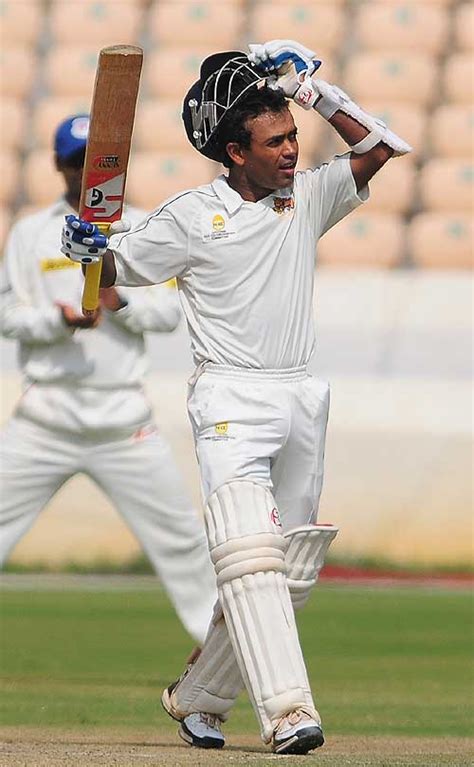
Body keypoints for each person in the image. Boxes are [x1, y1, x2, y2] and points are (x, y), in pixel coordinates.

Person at [61, 40, 411, 755]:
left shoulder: (307, 195)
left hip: (301, 394)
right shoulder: (191, 215)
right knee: (250, 554)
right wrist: (89, 251)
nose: (291, 151)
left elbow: (382, 149)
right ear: (233, 152)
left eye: (293, 137)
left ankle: (199, 698)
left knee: (292, 569)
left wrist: (313, 91)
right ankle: (288, 711)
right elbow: (118, 271)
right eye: (275, 141)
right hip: (229, 398)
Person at [0, 114, 218, 647]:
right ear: (59, 166)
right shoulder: (31, 232)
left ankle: (229, 663)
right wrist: (59, 321)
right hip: (44, 417)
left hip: (124, 420)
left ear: (115, 168)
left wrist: (116, 301)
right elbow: (6, 315)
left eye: (99, 164)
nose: (87, 174)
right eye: (77, 163)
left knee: (185, 545)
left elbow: (168, 315)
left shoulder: (146, 226)